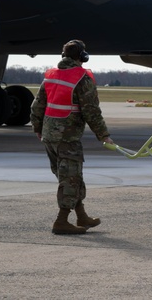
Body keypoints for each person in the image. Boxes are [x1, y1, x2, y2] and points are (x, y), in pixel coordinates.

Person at [30, 39, 114, 234]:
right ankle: (61, 221)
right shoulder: (81, 78)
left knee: (71, 177)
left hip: (49, 137)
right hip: (67, 138)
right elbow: (91, 111)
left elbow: (37, 106)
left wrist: (37, 127)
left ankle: (81, 215)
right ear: (82, 57)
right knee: (70, 179)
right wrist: (104, 135)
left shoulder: (50, 75)